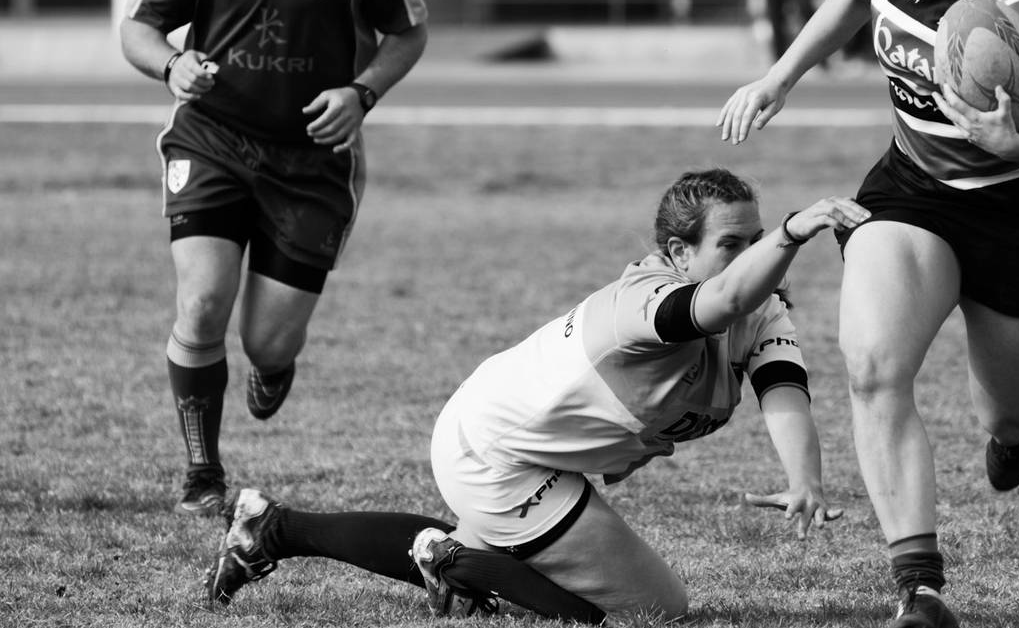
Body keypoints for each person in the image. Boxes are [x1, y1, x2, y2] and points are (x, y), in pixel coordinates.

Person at [718, 0, 1019, 628]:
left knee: (1005, 417)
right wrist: (780, 77)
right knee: (872, 365)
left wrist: (1014, 141)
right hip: (916, 190)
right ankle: (919, 589)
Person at [205, 169, 864, 623]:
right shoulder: (642, 304)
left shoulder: (761, 303)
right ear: (678, 252)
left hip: (523, 441)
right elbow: (719, 302)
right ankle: (455, 563)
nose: (752, 254)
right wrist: (792, 231)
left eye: (755, 240)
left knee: (536, 563)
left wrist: (804, 479)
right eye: (732, 243)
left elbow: (783, 387)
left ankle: (274, 527)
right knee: (653, 608)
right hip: (495, 452)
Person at [114, 0, 430, 515]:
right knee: (201, 302)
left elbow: (408, 32)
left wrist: (361, 92)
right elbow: (138, 28)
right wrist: (171, 66)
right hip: (212, 138)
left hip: (312, 160)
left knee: (268, 340)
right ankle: (202, 474)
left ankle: (274, 362)